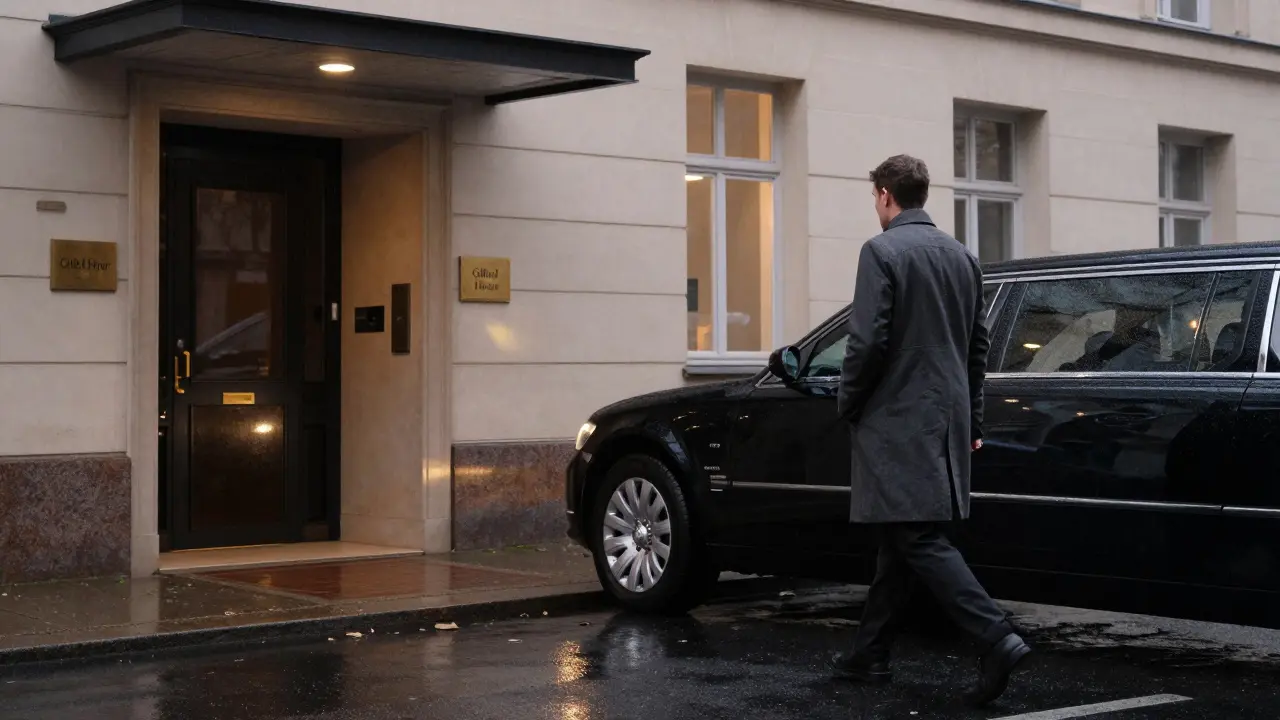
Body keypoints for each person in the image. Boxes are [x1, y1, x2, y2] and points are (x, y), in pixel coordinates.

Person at [828, 154, 1030, 707]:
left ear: (888, 194)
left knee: (915, 536)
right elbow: (977, 349)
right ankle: (869, 655)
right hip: (946, 421)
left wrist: (849, 403)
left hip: (896, 421)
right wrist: (974, 422)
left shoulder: (882, 251)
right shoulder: (963, 257)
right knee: (901, 537)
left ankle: (996, 635)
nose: (875, 205)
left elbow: (866, 342)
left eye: (875, 196)